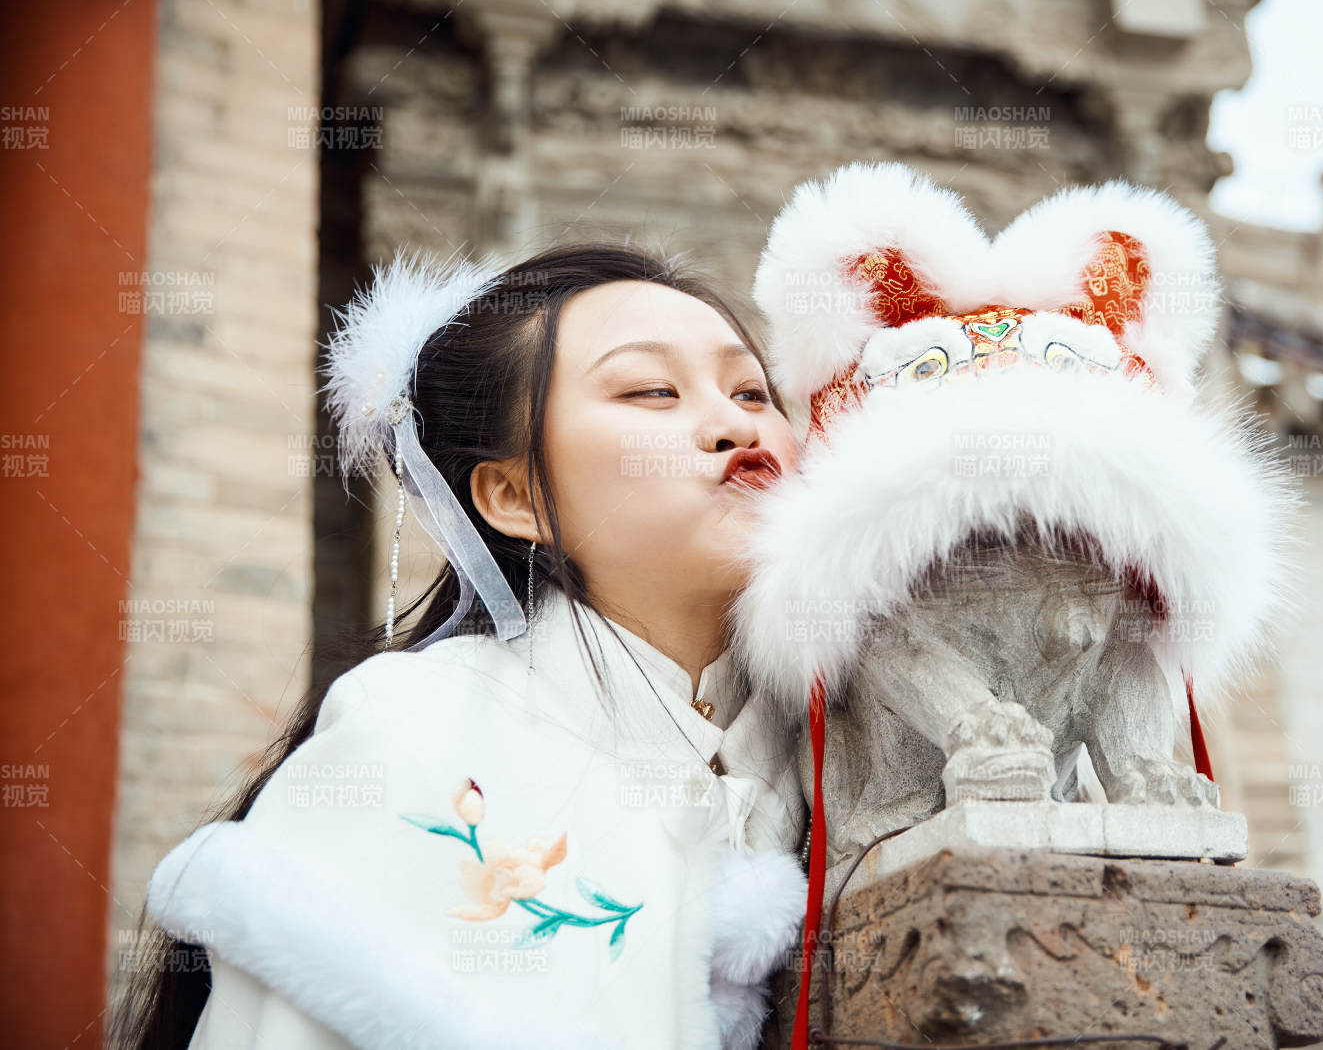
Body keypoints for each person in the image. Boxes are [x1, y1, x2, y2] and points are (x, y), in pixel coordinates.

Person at [108, 243, 811, 1050]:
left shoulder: (843, 746)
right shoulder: (413, 732)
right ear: (513, 496)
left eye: (753, 391)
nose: (734, 423)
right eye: (652, 389)